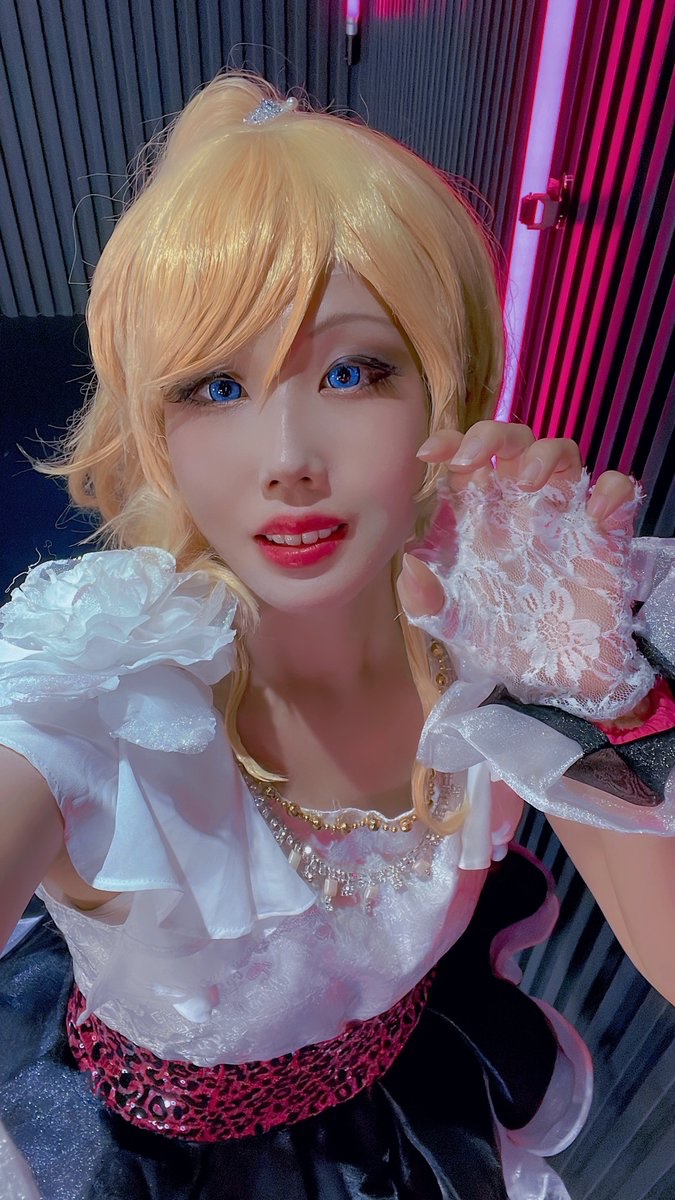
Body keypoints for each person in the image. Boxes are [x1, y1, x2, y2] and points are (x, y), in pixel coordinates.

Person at [0, 72, 673, 1200]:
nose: (287, 458)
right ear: (153, 424)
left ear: (445, 385)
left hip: (400, 1113)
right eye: (214, 387)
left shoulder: (492, 653)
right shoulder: (96, 692)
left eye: (354, 372)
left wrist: (600, 698)